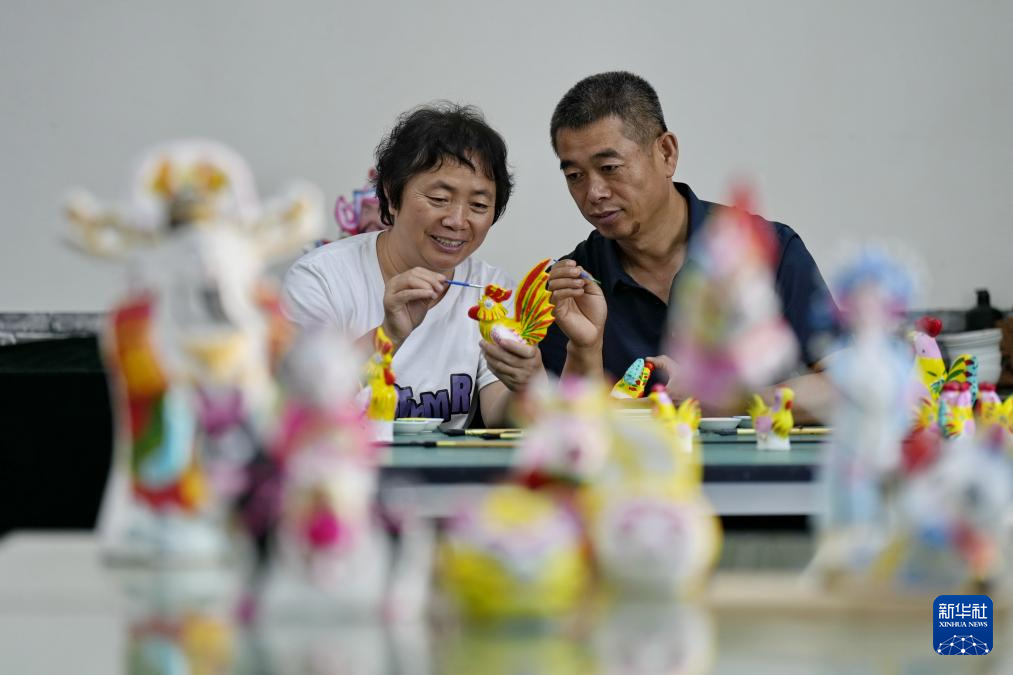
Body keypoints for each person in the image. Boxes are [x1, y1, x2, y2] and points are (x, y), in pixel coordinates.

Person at [538, 71, 836, 418]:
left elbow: (843, 387)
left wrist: (722, 400)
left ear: (666, 153)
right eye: (574, 176)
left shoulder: (764, 250)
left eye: (609, 167)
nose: (594, 193)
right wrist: (585, 351)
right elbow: (560, 424)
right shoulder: (571, 286)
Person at [282, 103, 542, 428]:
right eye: (439, 199)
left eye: (478, 205)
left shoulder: (492, 295)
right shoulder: (320, 279)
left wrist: (526, 386)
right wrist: (388, 336)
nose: (457, 220)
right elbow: (302, 407)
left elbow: (499, 421)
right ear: (392, 196)